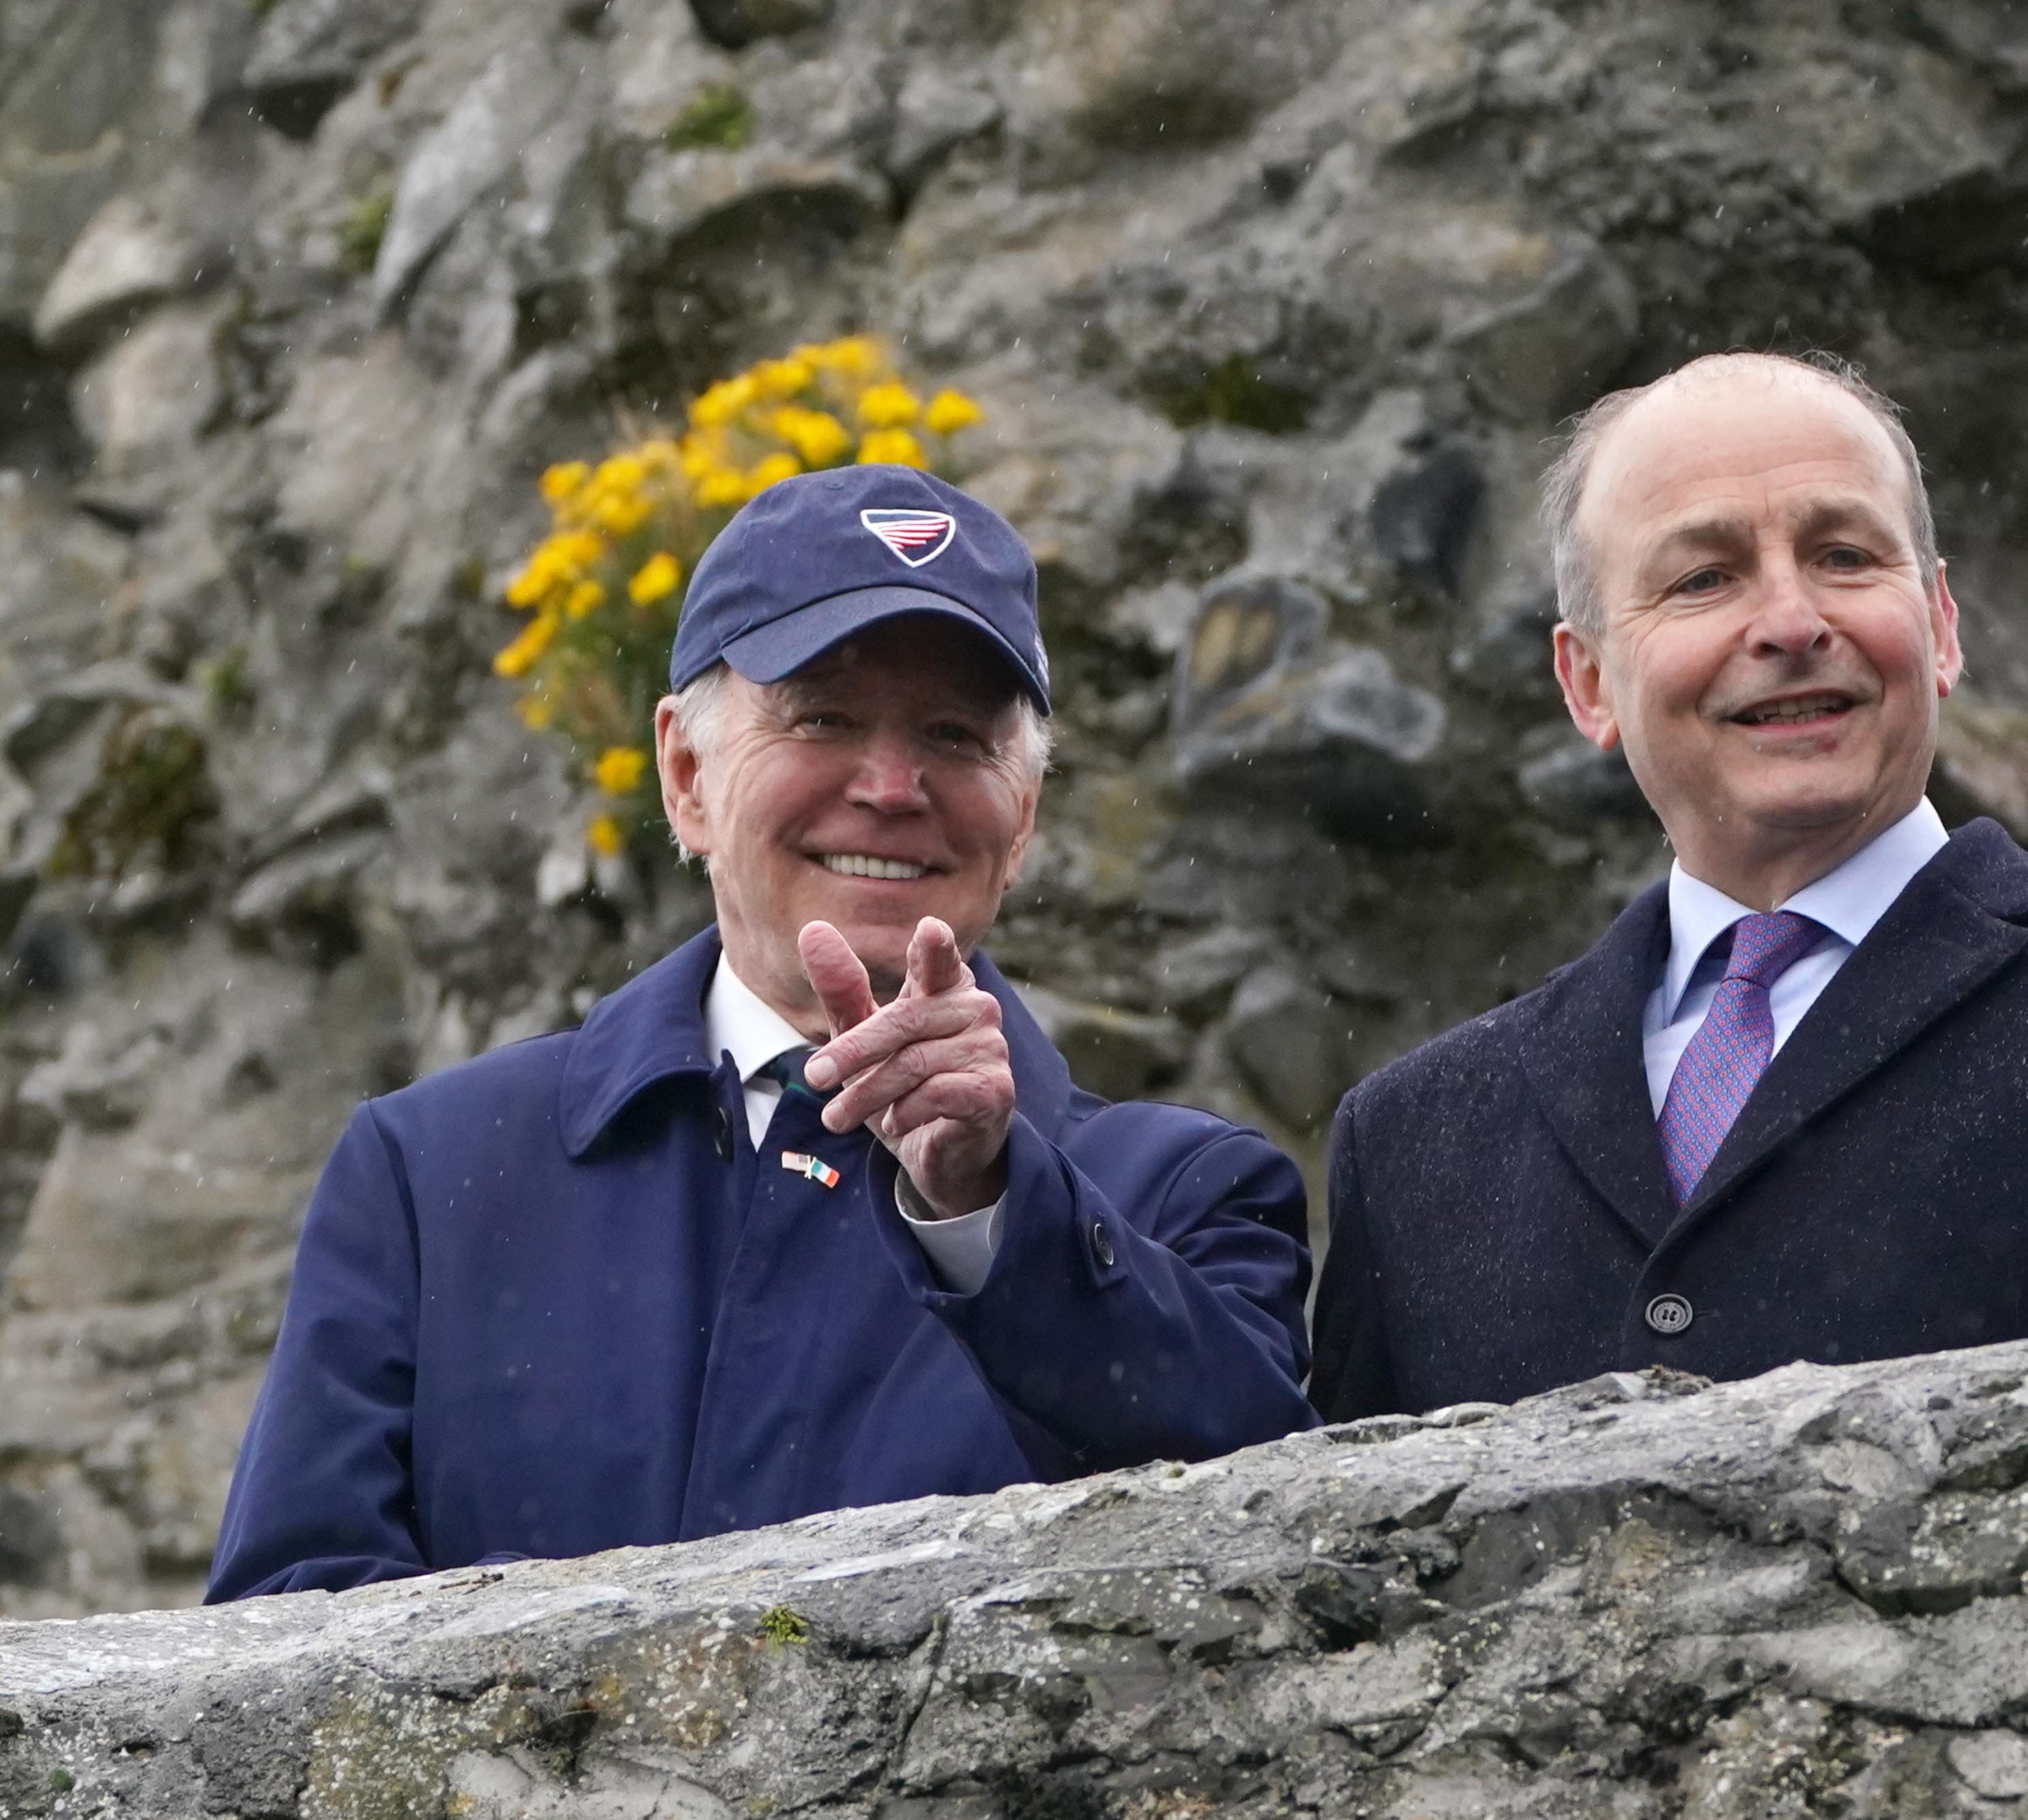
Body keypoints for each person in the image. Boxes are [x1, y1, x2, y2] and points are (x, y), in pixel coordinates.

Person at [211, 465, 1315, 1598]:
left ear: (1021, 816)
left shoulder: (1191, 1202)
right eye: (824, 717)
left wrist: (990, 1214)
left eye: (954, 734)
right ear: (686, 775)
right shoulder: (432, 1178)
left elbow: (1274, 1568)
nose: (893, 785)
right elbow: (281, 1635)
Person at [1309, 351, 2028, 1421]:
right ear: (1590, 680)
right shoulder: (1414, 1146)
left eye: (1846, 557)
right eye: (1705, 578)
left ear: (1942, 626)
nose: (1794, 624)